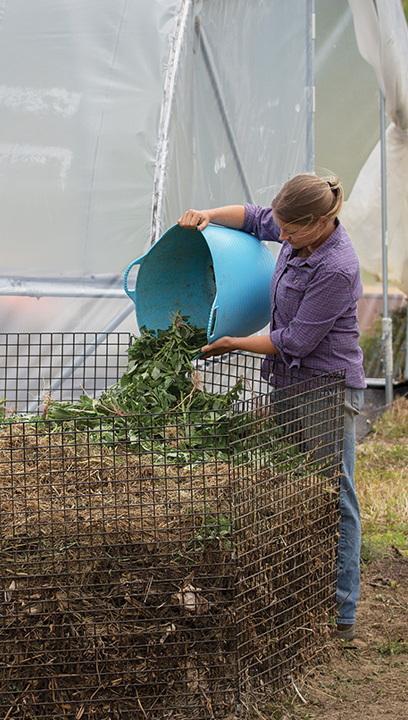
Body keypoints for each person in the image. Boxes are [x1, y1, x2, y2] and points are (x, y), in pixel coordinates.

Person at [178, 173, 366, 641]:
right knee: (289, 486)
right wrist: (206, 215)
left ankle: (341, 612)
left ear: (323, 221)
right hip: (287, 382)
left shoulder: (337, 268)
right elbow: (254, 218)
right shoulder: (292, 227)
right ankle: (300, 596)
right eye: (280, 227)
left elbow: (298, 339)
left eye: (292, 231)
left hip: (327, 389)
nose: (280, 237)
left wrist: (233, 344)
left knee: (333, 494)